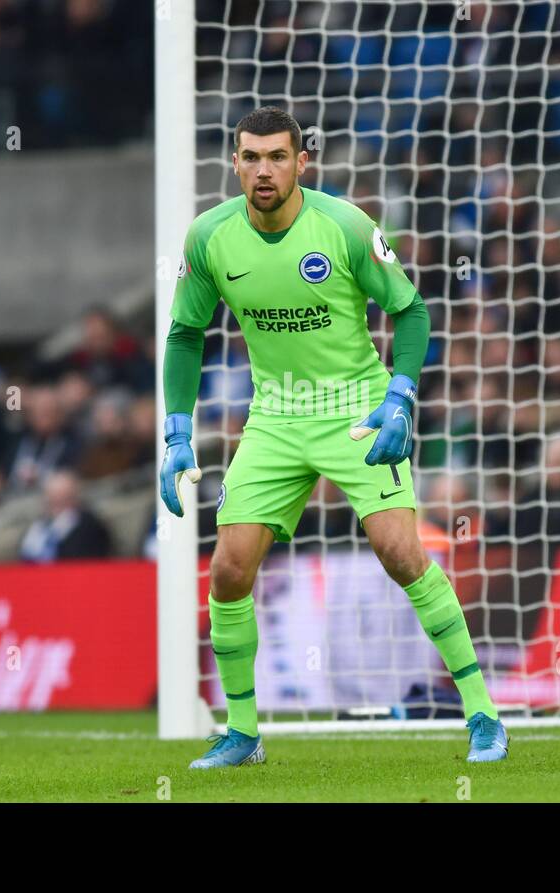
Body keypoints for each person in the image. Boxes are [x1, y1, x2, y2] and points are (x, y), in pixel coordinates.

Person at [160, 106, 507, 768]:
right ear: (234, 162)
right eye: (251, 157)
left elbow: (410, 310)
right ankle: (242, 731)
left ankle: (484, 713)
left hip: (356, 406)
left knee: (401, 552)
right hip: (275, 416)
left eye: (276, 157)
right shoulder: (209, 237)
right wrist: (177, 429)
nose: (263, 169)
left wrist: (401, 399)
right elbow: (184, 333)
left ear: (301, 163)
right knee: (229, 569)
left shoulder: (345, 226)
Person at [18, 470, 112, 562]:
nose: (56, 506)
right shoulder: (39, 524)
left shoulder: (89, 525)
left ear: (74, 498)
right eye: (51, 500)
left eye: (63, 500)